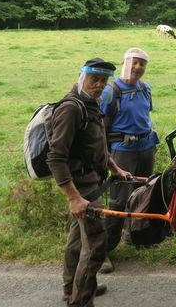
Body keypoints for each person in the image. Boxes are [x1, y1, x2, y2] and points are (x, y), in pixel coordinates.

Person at [46, 58, 131, 307]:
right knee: (95, 245)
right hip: (80, 186)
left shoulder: (91, 104)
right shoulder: (71, 108)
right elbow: (56, 157)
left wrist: (115, 168)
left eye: (104, 81)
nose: (99, 85)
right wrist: (74, 197)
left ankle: (70, 288)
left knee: (77, 239)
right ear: (82, 76)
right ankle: (81, 301)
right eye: (94, 79)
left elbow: (96, 144)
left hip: (91, 181)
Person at [99, 47, 159, 273]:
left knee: (142, 195)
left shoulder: (145, 88)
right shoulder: (111, 90)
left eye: (142, 64)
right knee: (119, 201)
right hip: (122, 150)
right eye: (134, 62)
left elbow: (144, 115)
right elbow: (102, 127)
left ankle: (133, 236)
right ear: (125, 62)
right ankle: (102, 250)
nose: (138, 68)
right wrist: (105, 158)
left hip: (146, 147)